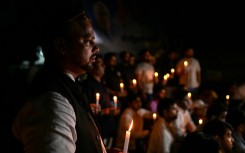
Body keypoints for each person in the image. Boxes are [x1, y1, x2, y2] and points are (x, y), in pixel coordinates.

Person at [11, 9, 108, 153]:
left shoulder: (68, 88)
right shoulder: (51, 104)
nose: (96, 48)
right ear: (61, 46)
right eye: (88, 41)